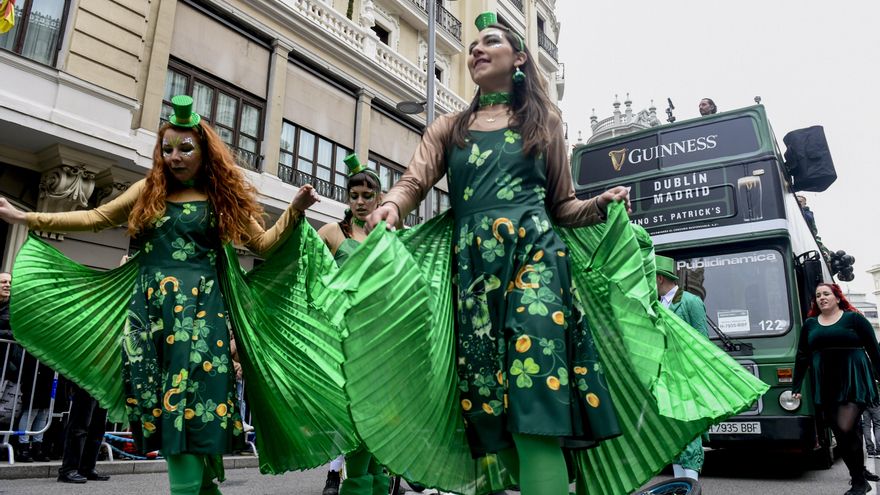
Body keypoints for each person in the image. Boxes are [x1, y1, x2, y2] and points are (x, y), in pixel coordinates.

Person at [0, 95, 322, 494]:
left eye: (185, 148)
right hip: (148, 320)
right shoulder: (146, 190)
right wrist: (25, 217)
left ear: (205, 152)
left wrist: (294, 209)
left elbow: (264, 245)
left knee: (191, 416)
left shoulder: (222, 198)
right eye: (166, 148)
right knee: (165, 416)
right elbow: (95, 218)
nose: (174, 156)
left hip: (202, 323)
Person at [792, 283, 880, 495]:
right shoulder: (810, 324)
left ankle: (859, 481)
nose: (822, 298)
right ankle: (858, 473)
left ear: (837, 298)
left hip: (853, 381)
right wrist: (796, 385)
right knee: (842, 435)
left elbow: (873, 349)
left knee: (846, 427)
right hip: (827, 385)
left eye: (826, 294)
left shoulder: (854, 318)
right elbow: (803, 355)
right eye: (818, 295)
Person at [655, 256, 708, 481]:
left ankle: (692, 484)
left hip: (688, 377)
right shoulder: (655, 305)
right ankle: (679, 485)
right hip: (665, 377)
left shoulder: (691, 301)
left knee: (689, 431)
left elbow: (702, 342)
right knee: (673, 432)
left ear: (658, 278)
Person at [57, 384, 109, 483]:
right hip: (88, 380)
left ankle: (87, 468)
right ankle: (68, 469)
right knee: (79, 426)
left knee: (97, 428)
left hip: (103, 384)